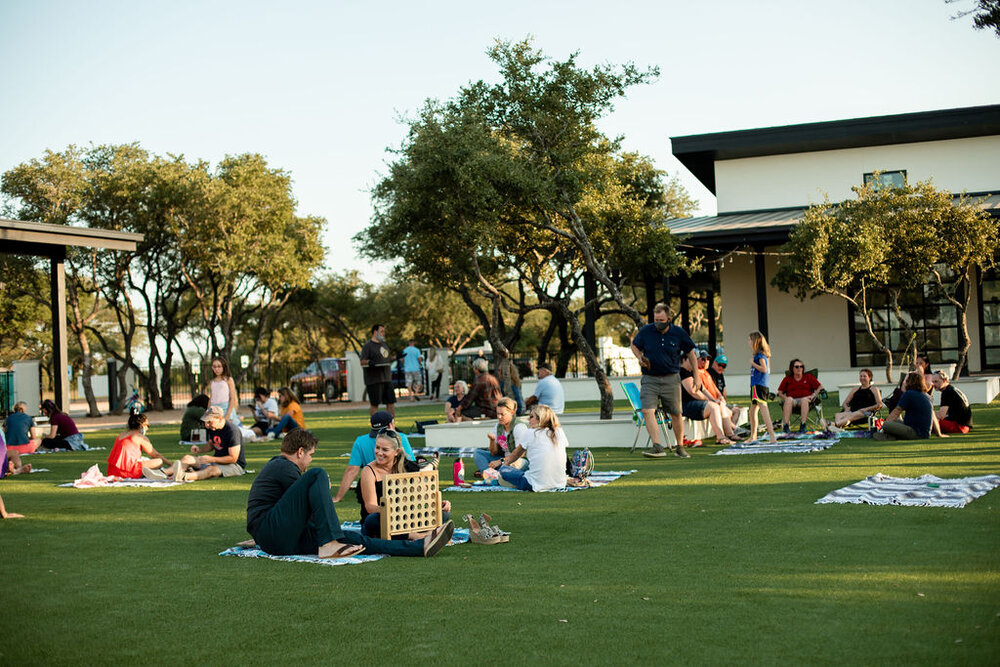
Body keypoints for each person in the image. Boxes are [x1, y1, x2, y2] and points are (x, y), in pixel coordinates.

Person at [246, 429, 454, 559]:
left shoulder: (281, 468)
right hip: (272, 533)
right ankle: (329, 544)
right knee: (317, 474)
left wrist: (336, 534)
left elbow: (300, 514)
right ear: (300, 452)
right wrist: (321, 489)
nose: (309, 460)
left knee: (356, 539)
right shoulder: (283, 467)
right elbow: (307, 512)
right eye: (310, 455)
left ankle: (419, 547)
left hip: (281, 537)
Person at [629, 302, 698, 459]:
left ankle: (680, 447)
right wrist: (640, 357)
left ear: (669, 319)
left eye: (661, 320)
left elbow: (691, 354)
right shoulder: (646, 331)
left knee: (676, 413)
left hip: (671, 379)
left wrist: (697, 376)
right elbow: (634, 346)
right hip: (649, 378)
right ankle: (657, 446)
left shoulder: (678, 333)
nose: (658, 323)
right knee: (647, 410)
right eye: (656, 320)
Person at [356, 430, 452, 539]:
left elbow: (424, 495)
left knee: (443, 513)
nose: (379, 453)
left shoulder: (406, 465)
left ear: (396, 452)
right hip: (383, 518)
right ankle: (418, 536)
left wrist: (439, 503)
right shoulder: (368, 471)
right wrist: (394, 511)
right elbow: (370, 507)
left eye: (385, 449)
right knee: (373, 520)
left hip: (406, 518)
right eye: (377, 447)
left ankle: (422, 534)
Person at [332, 411, 415, 503]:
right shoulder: (401, 438)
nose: (380, 453)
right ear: (391, 425)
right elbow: (411, 466)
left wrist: (338, 497)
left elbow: (352, 471)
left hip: (371, 485)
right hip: (396, 487)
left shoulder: (360, 441)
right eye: (377, 447)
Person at [498, 405, 568, 492]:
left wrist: (504, 464)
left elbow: (516, 454)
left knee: (503, 470)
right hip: (560, 483)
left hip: (534, 484)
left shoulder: (531, 432)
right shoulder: (559, 431)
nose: (528, 419)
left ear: (540, 419)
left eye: (531, 417)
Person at [177, 406, 246, 480]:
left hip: (234, 465)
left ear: (220, 418)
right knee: (187, 458)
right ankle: (169, 473)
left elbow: (233, 458)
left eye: (209, 421)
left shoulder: (232, 431)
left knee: (211, 470)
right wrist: (199, 450)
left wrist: (212, 459)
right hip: (216, 462)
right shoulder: (213, 428)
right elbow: (211, 444)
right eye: (205, 422)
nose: (206, 425)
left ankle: (183, 476)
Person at [106, 412, 182, 480]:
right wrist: (170, 464)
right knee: (159, 461)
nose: (147, 428)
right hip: (129, 471)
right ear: (142, 425)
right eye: (147, 426)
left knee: (144, 459)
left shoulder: (121, 435)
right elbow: (155, 455)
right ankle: (163, 472)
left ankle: (155, 473)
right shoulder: (140, 437)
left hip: (112, 471)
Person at [679, 355, 736, 445]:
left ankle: (730, 434)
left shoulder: (693, 372)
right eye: (692, 360)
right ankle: (721, 437)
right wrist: (709, 401)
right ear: (684, 359)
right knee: (713, 407)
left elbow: (704, 390)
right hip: (685, 405)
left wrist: (713, 400)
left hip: (695, 403)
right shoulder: (682, 372)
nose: (695, 363)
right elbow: (693, 391)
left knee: (719, 407)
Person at [874, 372, 943, 441]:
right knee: (896, 421)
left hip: (915, 432)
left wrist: (883, 427)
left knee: (886, 424)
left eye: (905, 380)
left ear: (910, 382)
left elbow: (896, 411)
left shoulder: (909, 394)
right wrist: (939, 433)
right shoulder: (927, 396)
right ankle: (891, 436)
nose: (903, 383)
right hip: (924, 433)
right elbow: (933, 416)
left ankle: (890, 436)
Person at [472, 397, 527, 476]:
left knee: (515, 464)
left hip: (518, 460)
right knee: (478, 453)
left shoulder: (519, 427)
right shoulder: (498, 426)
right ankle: (493, 473)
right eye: (498, 414)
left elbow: (520, 454)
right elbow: (493, 453)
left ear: (512, 412)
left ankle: (489, 473)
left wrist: (500, 461)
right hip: (503, 460)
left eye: (502, 414)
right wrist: (492, 440)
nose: (499, 417)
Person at [746, 331, 778, 444]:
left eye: (750, 340)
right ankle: (753, 436)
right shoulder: (759, 355)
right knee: (752, 411)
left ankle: (772, 436)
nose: (748, 342)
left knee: (764, 410)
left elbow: (764, 369)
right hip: (757, 385)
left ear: (755, 342)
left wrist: (752, 363)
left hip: (759, 386)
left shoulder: (760, 356)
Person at [777, 359, 825, 433]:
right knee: (789, 399)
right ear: (792, 368)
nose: (799, 368)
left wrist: (813, 395)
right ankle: (786, 426)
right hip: (792, 402)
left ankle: (803, 425)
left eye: (801, 366)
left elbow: (820, 387)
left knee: (804, 400)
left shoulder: (808, 377)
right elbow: (780, 393)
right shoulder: (787, 379)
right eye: (797, 367)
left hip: (806, 401)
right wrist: (786, 398)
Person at [698, 351, 741, 431]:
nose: (721, 367)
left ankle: (732, 430)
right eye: (719, 365)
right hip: (711, 402)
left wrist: (721, 398)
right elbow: (702, 391)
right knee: (727, 412)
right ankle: (733, 430)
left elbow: (717, 388)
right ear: (714, 363)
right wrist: (714, 400)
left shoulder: (706, 373)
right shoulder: (706, 372)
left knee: (736, 410)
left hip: (717, 401)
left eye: (724, 366)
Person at [360, 324, 395, 417]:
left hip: (386, 378)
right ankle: (375, 424)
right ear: (375, 332)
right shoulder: (368, 346)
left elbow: (387, 358)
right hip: (374, 380)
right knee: (375, 404)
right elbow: (362, 361)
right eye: (382, 331)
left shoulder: (384, 345)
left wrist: (396, 357)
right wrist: (369, 362)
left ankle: (391, 423)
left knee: (391, 403)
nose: (384, 333)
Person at [205, 357, 238, 422]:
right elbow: (211, 398)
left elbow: (232, 398)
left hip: (225, 408)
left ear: (223, 367)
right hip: (213, 409)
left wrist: (227, 415)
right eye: (214, 367)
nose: (216, 369)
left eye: (219, 366)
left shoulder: (228, 380)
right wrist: (207, 412)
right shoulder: (212, 381)